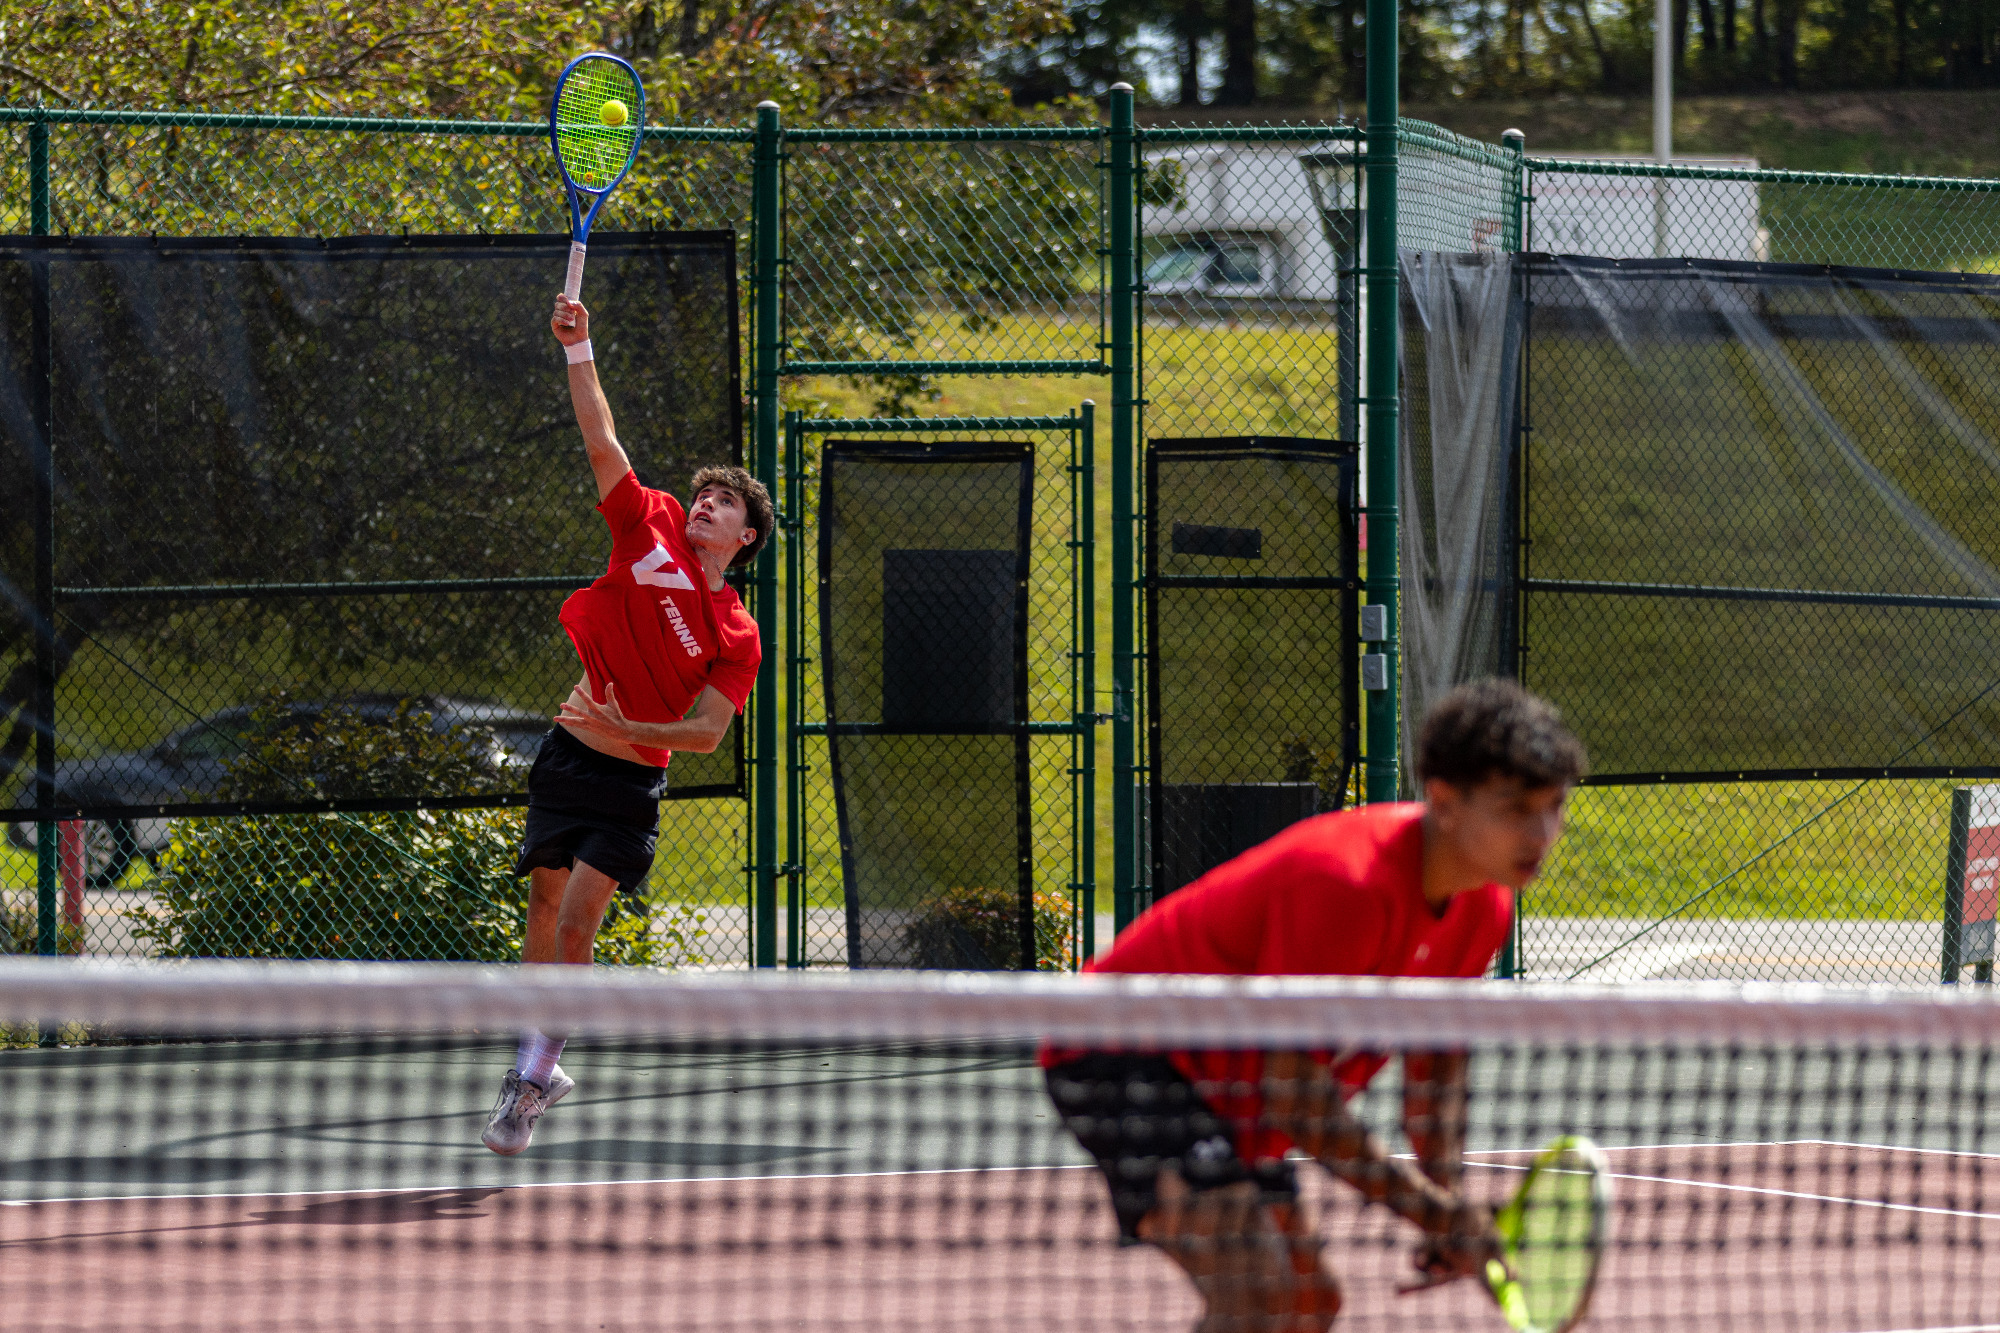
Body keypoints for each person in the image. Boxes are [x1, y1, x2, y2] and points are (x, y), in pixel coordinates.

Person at [1044, 678, 1586, 1331]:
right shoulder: (1347, 886)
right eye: (1515, 808)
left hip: (1227, 1086)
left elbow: (1436, 1072)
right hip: (1121, 1049)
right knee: (1257, 1292)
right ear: (1444, 799)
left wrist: (1447, 1201)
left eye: (1553, 807)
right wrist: (1431, 1212)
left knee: (1307, 1302)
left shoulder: (1485, 907)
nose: (1541, 831)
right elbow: (1297, 1096)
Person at [482, 290, 771, 1156]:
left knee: (577, 921)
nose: (705, 504)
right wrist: (580, 347)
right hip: (568, 756)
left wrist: (632, 716)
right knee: (540, 904)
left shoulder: (738, 633)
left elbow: (709, 733)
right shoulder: (643, 525)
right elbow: (599, 436)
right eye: (703, 494)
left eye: (724, 503)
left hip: (630, 782)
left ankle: (534, 1075)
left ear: (747, 536)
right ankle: (538, 1056)